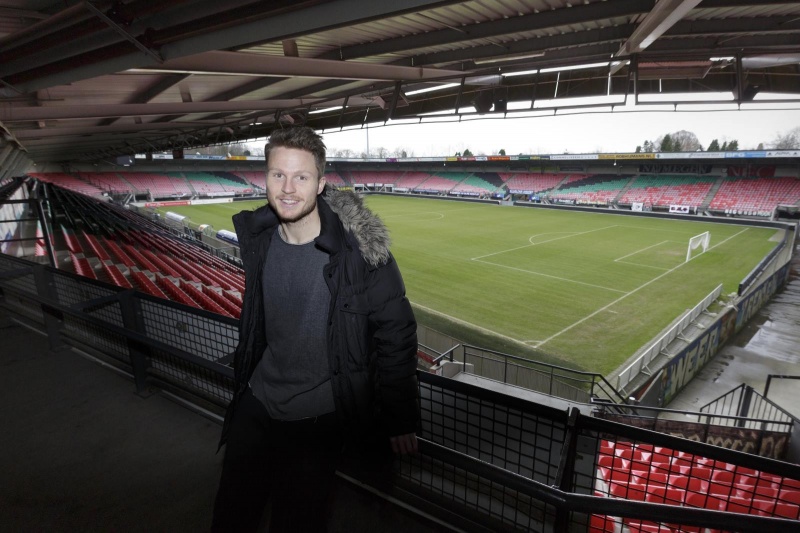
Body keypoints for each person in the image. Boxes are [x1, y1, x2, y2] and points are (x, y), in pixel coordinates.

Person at [212, 126, 419, 532]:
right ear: (265, 177)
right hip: (256, 401)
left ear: (321, 183)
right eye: (278, 175)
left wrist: (400, 417)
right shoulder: (260, 239)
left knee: (297, 522)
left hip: (316, 419)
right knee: (230, 516)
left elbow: (395, 333)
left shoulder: (360, 254)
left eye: (301, 177)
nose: (288, 188)